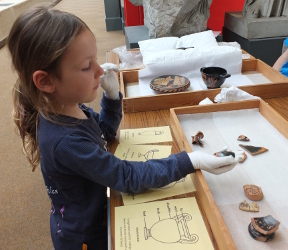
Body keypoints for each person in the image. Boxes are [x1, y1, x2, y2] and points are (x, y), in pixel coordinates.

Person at [7, 4, 244, 250]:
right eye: (87, 66)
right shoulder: (66, 141)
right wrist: (190, 162)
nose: (99, 70)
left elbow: (104, 133)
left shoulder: (68, 106)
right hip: (86, 237)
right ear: (46, 81)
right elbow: (125, 176)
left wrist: (110, 97)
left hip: (95, 213)